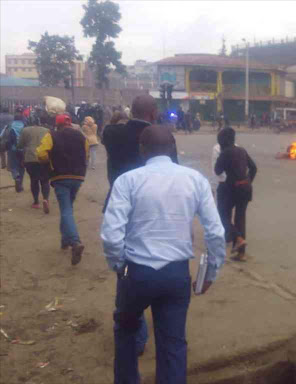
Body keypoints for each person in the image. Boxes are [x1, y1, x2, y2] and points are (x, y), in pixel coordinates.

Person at [101, 124, 225, 384]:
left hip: (136, 272)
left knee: (125, 330)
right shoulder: (195, 180)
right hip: (175, 274)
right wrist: (210, 272)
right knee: (173, 344)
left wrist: (119, 266)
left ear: (142, 150)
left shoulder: (127, 180)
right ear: (172, 148)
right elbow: (215, 232)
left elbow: (112, 235)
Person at [102, 95, 178, 358]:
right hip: (155, 211)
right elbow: (173, 172)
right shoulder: (163, 138)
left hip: (121, 210)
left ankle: (136, 335)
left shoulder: (114, 134)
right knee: (156, 262)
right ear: (154, 113)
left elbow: (109, 129)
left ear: (131, 111)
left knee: (126, 273)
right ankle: (159, 329)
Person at [37, 114, 89, 266]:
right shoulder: (81, 136)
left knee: (66, 210)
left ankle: (75, 242)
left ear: (57, 124)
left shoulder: (51, 135)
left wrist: (50, 160)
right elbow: (86, 155)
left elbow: (41, 154)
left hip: (60, 177)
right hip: (78, 177)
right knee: (68, 208)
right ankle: (65, 240)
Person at [215, 127, 257, 261]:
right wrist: (248, 181)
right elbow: (254, 168)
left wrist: (221, 156)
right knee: (240, 218)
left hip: (232, 188)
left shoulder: (225, 153)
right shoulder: (242, 150)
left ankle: (238, 238)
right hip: (246, 188)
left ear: (222, 141)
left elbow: (217, 171)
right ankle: (241, 253)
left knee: (222, 215)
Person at [17, 122, 51, 211]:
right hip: (44, 158)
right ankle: (45, 199)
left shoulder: (25, 130)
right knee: (45, 180)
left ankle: (36, 202)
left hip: (30, 159)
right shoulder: (47, 130)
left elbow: (20, 145)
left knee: (34, 180)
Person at [6, 109, 26, 192]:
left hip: (12, 149)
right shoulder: (25, 125)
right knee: (22, 166)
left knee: (14, 166)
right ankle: (20, 184)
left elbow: (5, 136)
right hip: (22, 149)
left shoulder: (10, 126)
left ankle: (16, 176)